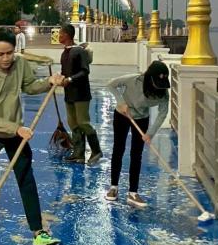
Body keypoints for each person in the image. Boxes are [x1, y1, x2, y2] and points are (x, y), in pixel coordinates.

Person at [0, 29, 65, 245]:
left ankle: (38, 233)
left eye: (10, 53)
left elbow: (30, 85)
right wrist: (16, 129)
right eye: (0, 54)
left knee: (26, 179)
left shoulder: (20, 63)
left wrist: (49, 81)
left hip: (16, 134)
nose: (6, 58)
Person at [105, 60, 170, 207]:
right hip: (123, 115)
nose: (158, 87)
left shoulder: (162, 91)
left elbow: (163, 112)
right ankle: (113, 187)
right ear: (149, 77)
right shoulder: (132, 80)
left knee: (136, 154)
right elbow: (111, 84)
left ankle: (133, 193)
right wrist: (121, 102)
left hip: (141, 119)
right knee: (118, 149)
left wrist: (150, 133)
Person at [58, 24, 102, 165]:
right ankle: (79, 153)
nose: (58, 36)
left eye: (60, 33)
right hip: (69, 93)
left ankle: (96, 151)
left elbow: (85, 71)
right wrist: (59, 79)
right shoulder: (65, 53)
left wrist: (70, 79)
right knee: (73, 123)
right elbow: (65, 72)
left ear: (67, 35)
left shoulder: (79, 52)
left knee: (83, 122)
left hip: (81, 93)